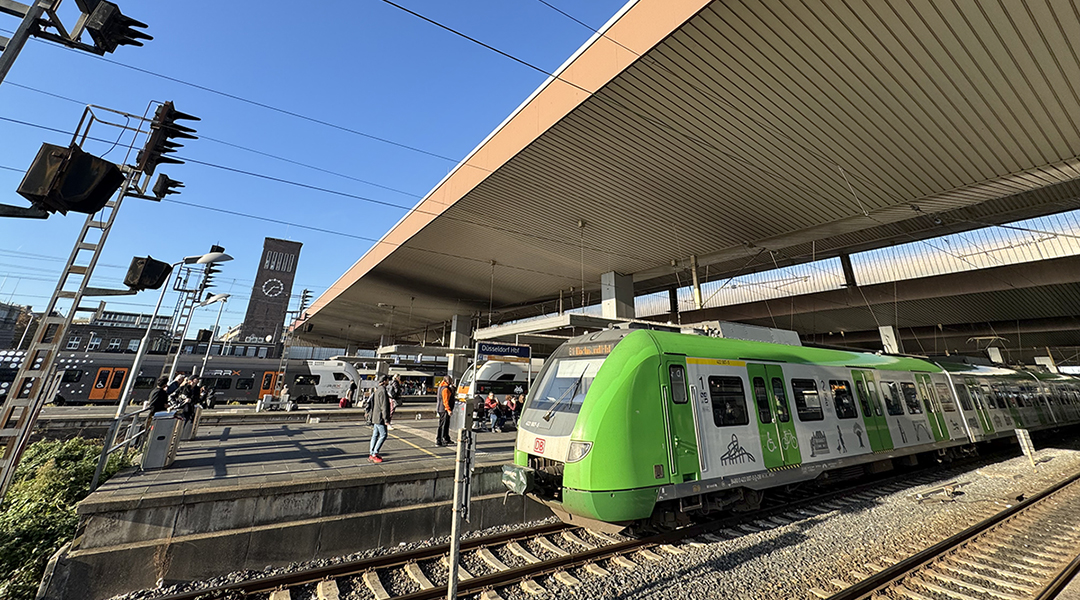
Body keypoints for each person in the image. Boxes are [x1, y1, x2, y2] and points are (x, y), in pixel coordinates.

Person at [368, 375, 391, 463]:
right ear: (385, 381)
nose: (388, 381)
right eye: (388, 380)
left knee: (375, 435)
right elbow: (384, 406)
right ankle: (375, 453)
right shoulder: (383, 391)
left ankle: (371, 453)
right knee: (383, 435)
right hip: (380, 417)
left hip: (375, 416)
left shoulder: (377, 390)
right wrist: (386, 419)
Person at [435, 375, 453, 447]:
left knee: (445, 424)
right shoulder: (445, 389)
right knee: (443, 425)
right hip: (444, 409)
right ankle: (439, 440)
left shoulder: (441, 387)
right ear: (448, 381)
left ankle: (446, 438)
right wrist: (448, 409)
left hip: (440, 408)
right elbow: (445, 400)